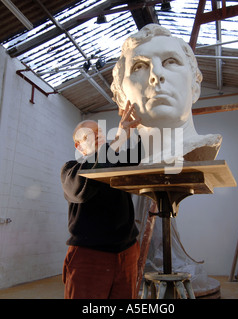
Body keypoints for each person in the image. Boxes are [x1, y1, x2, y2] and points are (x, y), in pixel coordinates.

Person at [60, 104, 142, 299]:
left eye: (99, 132)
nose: (97, 135)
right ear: (78, 146)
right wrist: (118, 140)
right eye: (88, 135)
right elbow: (85, 183)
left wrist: (140, 127)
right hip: (90, 256)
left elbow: (142, 154)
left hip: (127, 252)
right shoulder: (71, 170)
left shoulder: (119, 161)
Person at [111, 23, 222, 163]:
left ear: (195, 87)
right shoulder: (128, 161)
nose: (156, 73)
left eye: (170, 62)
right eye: (139, 67)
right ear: (121, 97)